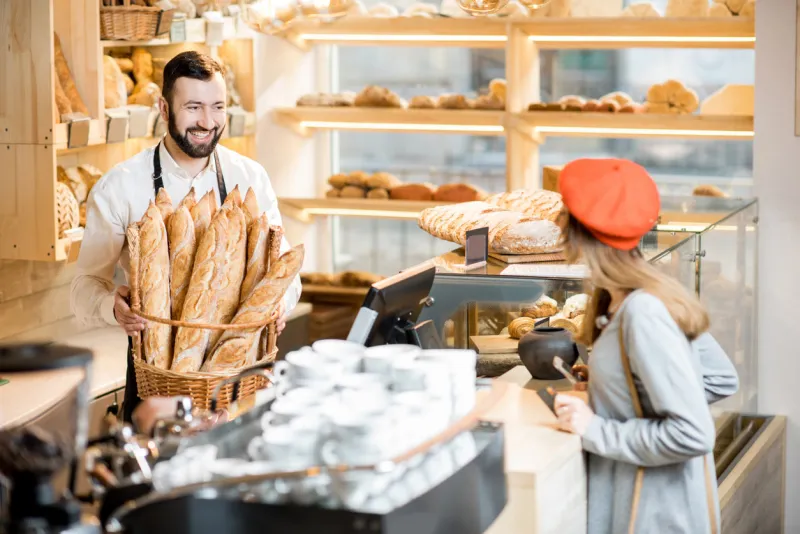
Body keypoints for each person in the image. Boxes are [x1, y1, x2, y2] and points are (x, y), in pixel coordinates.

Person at [70, 51, 302, 423]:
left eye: (217, 107)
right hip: (157, 379)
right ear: (164, 108)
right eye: (193, 107)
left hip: (238, 376)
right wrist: (112, 306)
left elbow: (287, 274)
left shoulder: (251, 178)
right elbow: (82, 288)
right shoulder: (121, 185)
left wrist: (280, 305)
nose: (207, 122)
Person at [552, 158, 738, 534]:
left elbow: (692, 433)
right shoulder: (647, 293)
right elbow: (719, 378)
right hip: (659, 505)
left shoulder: (643, 314)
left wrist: (594, 428)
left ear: (578, 231)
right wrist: (619, 386)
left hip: (652, 515)